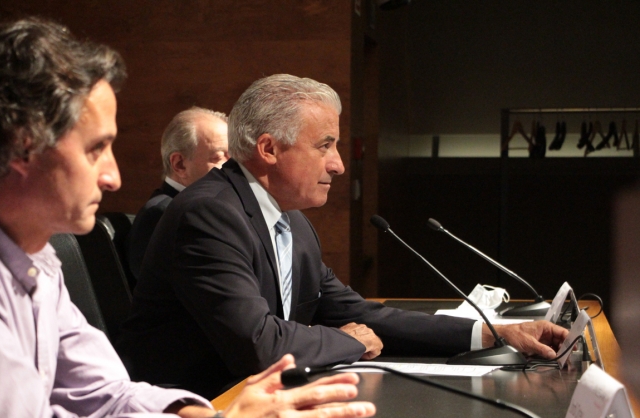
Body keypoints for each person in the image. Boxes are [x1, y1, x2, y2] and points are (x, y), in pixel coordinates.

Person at [0, 21, 376, 418]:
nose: (112, 178)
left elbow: (101, 392)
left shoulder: (28, 247)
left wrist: (219, 415)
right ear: (21, 147)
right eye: (96, 149)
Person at [118, 74, 569, 399]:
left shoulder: (291, 222)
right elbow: (261, 345)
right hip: (195, 416)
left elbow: (356, 312)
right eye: (324, 146)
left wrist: (491, 334)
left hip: (259, 404)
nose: (338, 164)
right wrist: (353, 341)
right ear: (269, 149)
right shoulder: (209, 214)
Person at [127, 107, 229, 278]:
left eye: (234, 156)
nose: (232, 167)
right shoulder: (163, 214)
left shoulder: (201, 210)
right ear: (180, 164)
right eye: (219, 157)